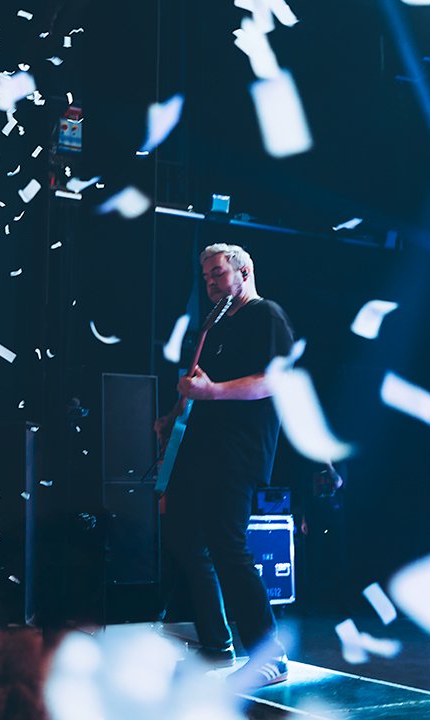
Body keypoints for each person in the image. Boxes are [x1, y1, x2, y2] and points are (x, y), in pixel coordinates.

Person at [155, 243, 294, 688]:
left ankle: (268, 654)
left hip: (239, 448)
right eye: (207, 276)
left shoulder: (266, 314)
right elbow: (201, 382)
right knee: (182, 536)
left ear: (244, 271)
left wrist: (212, 393)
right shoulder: (215, 325)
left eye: (217, 273)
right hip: (202, 446)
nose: (211, 283)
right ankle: (217, 644)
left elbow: (275, 380)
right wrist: (173, 414)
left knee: (226, 544)